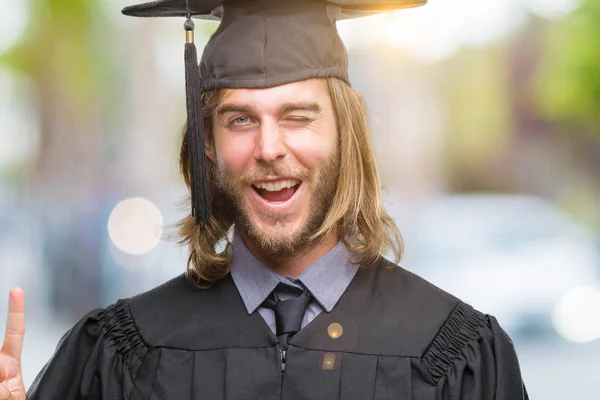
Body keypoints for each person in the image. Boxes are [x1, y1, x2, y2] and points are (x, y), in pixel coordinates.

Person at [0, 0, 529, 399]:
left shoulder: (458, 355)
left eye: (298, 116)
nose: (269, 148)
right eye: (240, 120)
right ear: (208, 141)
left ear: (349, 127)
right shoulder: (123, 352)